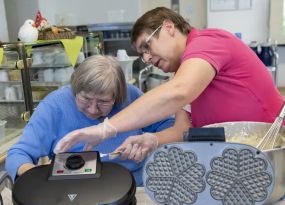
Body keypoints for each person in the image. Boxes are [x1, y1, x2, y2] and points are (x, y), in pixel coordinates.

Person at [55, 7, 284, 157]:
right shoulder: (185, 72)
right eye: (141, 53)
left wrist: (105, 129)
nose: (146, 58)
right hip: (238, 156)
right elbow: (183, 129)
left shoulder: (209, 42)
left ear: (168, 27)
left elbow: (178, 92)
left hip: (271, 149)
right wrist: (152, 139)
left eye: (147, 46)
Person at [5, 54, 190, 186]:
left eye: (103, 102)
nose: (93, 110)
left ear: (117, 97)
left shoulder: (130, 96)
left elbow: (168, 127)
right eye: (85, 99)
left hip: (134, 184)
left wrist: (148, 141)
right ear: (74, 89)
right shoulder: (54, 106)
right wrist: (39, 177)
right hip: (75, 189)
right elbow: (18, 154)